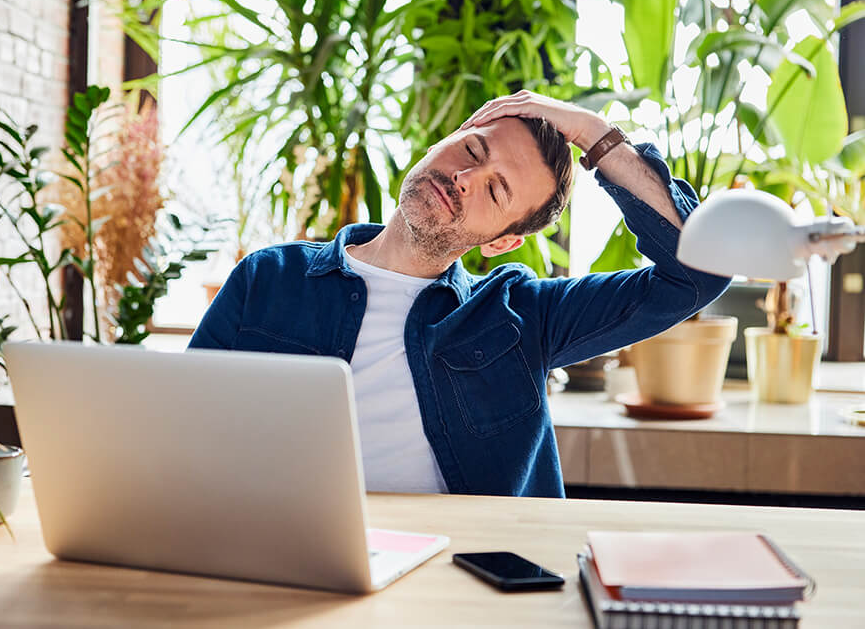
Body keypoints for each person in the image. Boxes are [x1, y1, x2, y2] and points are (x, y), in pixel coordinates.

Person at [188, 91, 730, 497]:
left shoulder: (522, 317)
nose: (466, 177)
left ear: (501, 242)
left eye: (495, 190)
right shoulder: (269, 278)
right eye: (471, 149)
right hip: (279, 554)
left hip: (461, 574)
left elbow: (698, 273)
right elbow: (182, 429)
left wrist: (593, 132)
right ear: (441, 142)